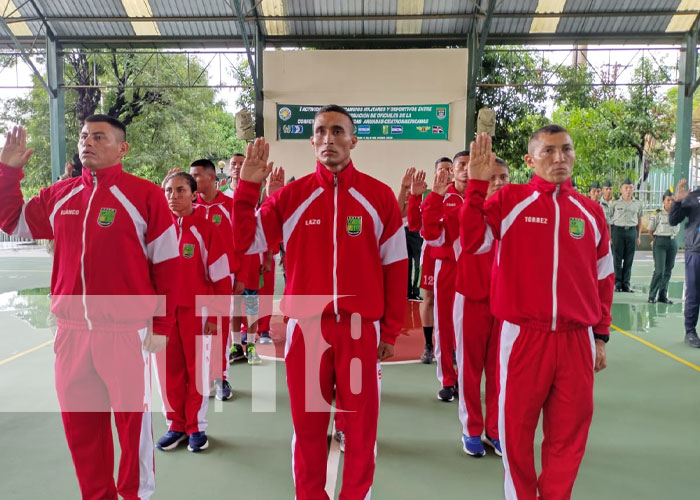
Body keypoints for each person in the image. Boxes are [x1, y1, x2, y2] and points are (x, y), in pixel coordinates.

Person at [0, 116, 180, 500]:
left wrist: (161, 325)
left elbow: (167, 266)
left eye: (99, 137)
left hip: (125, 333)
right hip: (71, 335)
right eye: (84, 136)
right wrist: (8, 173)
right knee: (81, 428)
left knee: (132, 427)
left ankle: (134, 494)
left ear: (122, 148)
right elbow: (12, 223)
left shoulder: (145, 196)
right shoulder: (59, 196)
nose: (88, 143)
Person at [233, 104, 407, 499]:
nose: (329, 138)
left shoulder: (378, 197)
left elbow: (396, 268)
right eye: (321, 131)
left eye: (338, 131)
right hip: (307, 331)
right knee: (309, 429)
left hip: (361, 331)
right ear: (312, 141)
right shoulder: (290, 198)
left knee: (360, 430)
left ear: (353, 140)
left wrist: (391, 329)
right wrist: (247, 189)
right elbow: (244, 241)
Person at [461, 127, 612, 500]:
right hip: (523, 336)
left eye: (566, 150)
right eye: (548, 151)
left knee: (570, 434)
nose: (559, 158)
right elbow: (472, 241)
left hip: (577, 340)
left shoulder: (591, 212)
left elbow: (604, 277)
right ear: (530, 160)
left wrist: (601, 337)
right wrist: (476, 188)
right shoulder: (510, 201)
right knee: (515, 432)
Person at [156, 172, 232, 452]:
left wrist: (214, 316)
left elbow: (221, 277)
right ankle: (175, 425)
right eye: (168, 191)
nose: (173, 197)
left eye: (179, 190)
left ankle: (196, 426)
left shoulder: (206, 228)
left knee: (197, 372)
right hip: (164, 314)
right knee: (168, 372)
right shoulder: (156, 231)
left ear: (193, 193)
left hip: (196, 314)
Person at [453, 156, 509, 457]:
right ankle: (471, 428)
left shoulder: (515, 216)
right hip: (471, 299)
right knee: (471, 371)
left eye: (503, 177)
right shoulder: (470, 212)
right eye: (492, 177)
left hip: (504, 305)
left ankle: (495, 430)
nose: (498, 182)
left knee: (499, 372)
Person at [188, 159, 242, 399]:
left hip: (223, 278)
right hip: (193, 279)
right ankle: (200, 377)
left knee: (218, 328)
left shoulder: (231, 206)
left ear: (211, 177)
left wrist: (241, 275)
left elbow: (244, 243)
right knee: (195, 330)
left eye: (196, 176)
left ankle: (219, 377)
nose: (192, 181)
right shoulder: (189, 207)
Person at [421, 151, 469, 402]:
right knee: (446, 325)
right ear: (454, 169)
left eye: (470, 165)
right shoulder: (443, 194)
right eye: (461, 164)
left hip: (476, 270)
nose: (465, 169)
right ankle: (448, 380)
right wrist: (433, 198)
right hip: (448, 268)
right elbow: (428, 230)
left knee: (471, 329)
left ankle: (466, 378)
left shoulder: (482, 196)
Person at [407, 157, 453, 364]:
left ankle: (451, 345)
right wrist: (414, 197)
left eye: (448, 169)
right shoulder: (429, 196)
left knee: (453, 303)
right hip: (432, 255)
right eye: (441, 169)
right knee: (429, 299)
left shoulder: (460, 195)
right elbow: (415, 225)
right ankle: (428, 345)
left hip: (454, 258)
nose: (445, 172)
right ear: (435, 172)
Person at [669, 178, 700, 348]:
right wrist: (678, 202)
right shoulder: (693, 197)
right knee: (694, 294)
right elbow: (673, 220)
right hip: (696, 252)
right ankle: (690, 331)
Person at [610, 177, 643, 292]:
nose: (628, 190)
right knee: (617, 259)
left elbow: (639, 220)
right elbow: (609, 220)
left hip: (631, 231)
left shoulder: (638, 203)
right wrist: (610, 236)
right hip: (618, 231)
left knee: (629, 259)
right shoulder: (614, 203)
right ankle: (617, 283)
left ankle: (626, 284)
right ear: (621, 190)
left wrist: (638, 236)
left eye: (630, 188)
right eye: (626, 188)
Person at [647, 189, 679, 304]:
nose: (670, 202)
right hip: (660, 242)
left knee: (668, 270)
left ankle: (662, 295)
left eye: (672, 200)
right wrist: (655, 240)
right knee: (659, 271)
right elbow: (650, 230)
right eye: (668, 200)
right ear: (663, 201)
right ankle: (652, 295)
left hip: (672, 242)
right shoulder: (657, 213)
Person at [397, 167, 423, 300]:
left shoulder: (418, 202)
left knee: (418, 263)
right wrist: (403, 187)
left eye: (410, 189)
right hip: (403, 233)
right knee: (406, 264)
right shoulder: (401, 204)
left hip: (416, 234)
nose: (408, 192)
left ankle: (415, 291)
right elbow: (398, 212)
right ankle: (406, 292)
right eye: (407, 189)